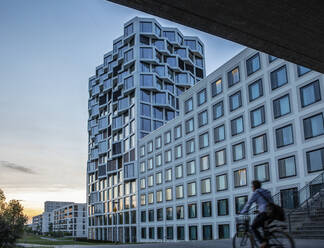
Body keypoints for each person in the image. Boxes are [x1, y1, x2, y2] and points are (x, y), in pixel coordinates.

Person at [240, 180, 273, 248]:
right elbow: (268, 202)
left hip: (264, 213)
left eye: (252, 186)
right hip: (271, 212)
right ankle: (267, 243)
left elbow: (249, 203)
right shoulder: (266, 191)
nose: (252, 188)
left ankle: (263, 242)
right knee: (264, 228)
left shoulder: (256, 193)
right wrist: (259, 210)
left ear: (254, 186)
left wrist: (243, 212)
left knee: (253, 227)